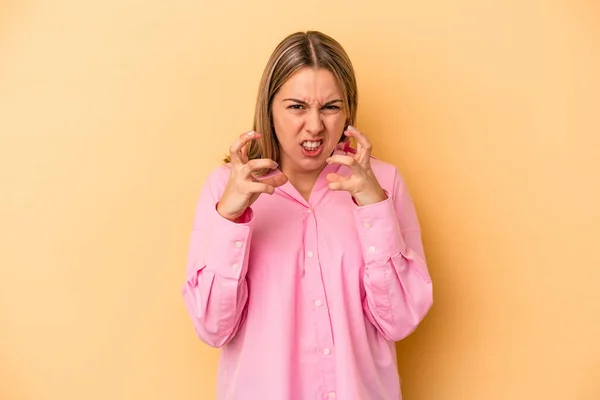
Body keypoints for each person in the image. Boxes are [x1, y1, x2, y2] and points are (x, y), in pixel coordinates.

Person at [182, 30, 433, 400]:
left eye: (330, 107)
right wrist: (230, 219)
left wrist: (374, 208)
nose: (315, 126)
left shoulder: (385, 184)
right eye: (297, 106)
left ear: (348, 111)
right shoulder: (225, 189)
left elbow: (400, 320)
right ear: (269, 108)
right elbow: (212, 327)